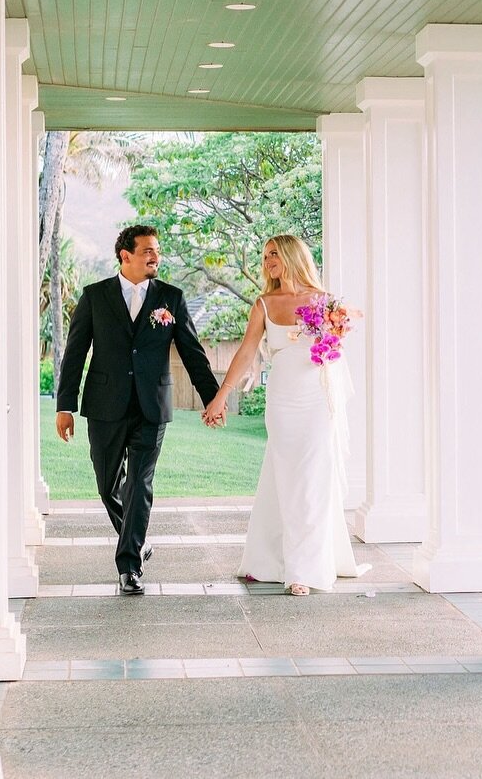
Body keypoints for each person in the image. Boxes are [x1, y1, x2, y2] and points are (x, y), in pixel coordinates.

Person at [55, 224, 224, 595]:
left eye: (157, 251)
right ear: (125, 255)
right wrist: (65, 405)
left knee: (140, 484)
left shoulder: (172, 299)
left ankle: (129, 565)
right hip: (104, 406)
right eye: (147, 250)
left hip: (152, 407)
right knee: (106, 485)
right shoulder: (94, 296)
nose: (155, 257)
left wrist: (213, 397)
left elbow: (194, 354)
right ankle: (137, 540)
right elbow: (75, 353)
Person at [204, 235, 362, 595]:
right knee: (286, 477)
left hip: (318, 400)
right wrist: (221, 396)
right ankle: (272, 556)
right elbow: (246, 353)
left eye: (273, 253)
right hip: (283, 401)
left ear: (292, 255)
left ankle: (303, 570)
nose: (267, 260)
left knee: (311, 480)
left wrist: (333, 338)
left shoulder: (325, 301)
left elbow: (336, 348)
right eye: (264, 255)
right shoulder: (263, 303)